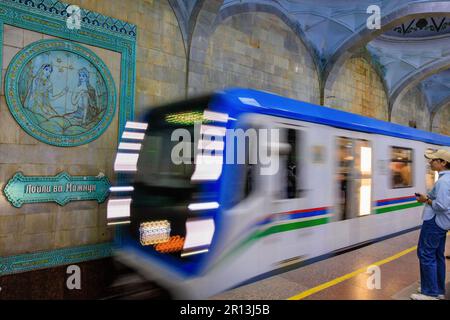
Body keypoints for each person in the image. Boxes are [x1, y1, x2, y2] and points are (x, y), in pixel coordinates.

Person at [410, 149, 450, 300]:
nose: (430, 162)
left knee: (426, 254)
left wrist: (425, 200)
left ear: (443, 163)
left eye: (433, 160)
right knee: (437, 254)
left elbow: (441, 205)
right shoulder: (446, 180)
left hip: (435, 222)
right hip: (442, 223)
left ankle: (430, 293)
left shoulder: (444, 182)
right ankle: (437, 289)